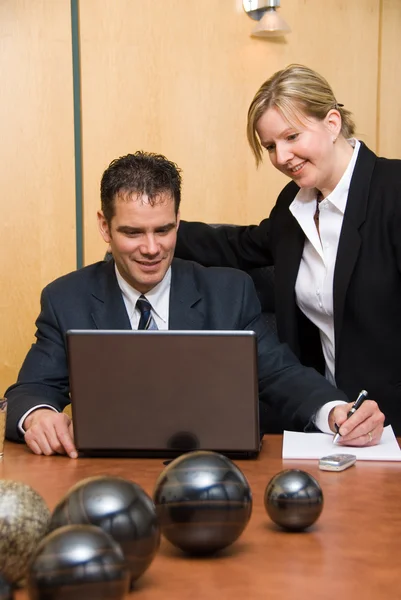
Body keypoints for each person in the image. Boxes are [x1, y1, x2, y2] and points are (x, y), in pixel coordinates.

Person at [5, 151, 383, 458]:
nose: (151, 248)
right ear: (105, 227)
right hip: (106, 476)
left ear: (178, 222)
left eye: (164, 230)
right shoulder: (65, 297)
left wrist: (334, 410)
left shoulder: (229, 291)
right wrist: (38, 416)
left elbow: (278, 374)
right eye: (133, 232)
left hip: (212, 470)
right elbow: (29, 391)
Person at [175, 63, 398, 436]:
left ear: (331, 122)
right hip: (329, 420)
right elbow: (240, 246)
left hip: (392, 425)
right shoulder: (293, 203)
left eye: (292, 136)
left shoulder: (394, 191)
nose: (281, 157)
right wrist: (161, 230)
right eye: (271, 146)